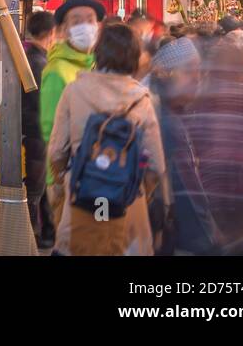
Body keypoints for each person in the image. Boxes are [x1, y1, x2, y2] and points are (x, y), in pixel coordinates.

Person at [47, 24, 165, 255]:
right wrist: (140, 189)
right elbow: (156, 165)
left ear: (98, 52)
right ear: (134, 56)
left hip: (82, 198)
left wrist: (64, 179)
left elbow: (57, 152)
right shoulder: (143, 100)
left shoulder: (74, 91)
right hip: (128, 207)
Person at [146, 36, 219, 254]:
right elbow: (187, 192)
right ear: (167, 75)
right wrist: (209, 239)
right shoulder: (167, 123)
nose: (197, 78)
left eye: (198, 70)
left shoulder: (170, 111)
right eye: (189, 71)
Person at [40, 0, 100, 230]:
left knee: (98, 237)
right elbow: (50, 130)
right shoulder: (57, 70)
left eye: (90, 20)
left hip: (98, 176)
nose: (85, 26)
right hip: (69, 178)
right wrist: (57, 180)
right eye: (77, 21)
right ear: (63, 29)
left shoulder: (95, 63)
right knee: (73, 241)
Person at [23, 9, 55, 247]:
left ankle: (44, 234)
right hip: (39, 133)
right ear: (51, 33)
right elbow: (44, 103)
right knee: (37, 189)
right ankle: (34, 237)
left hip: (33, 132)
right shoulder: (40, 62)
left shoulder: (29, 58)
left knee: (40, 188)